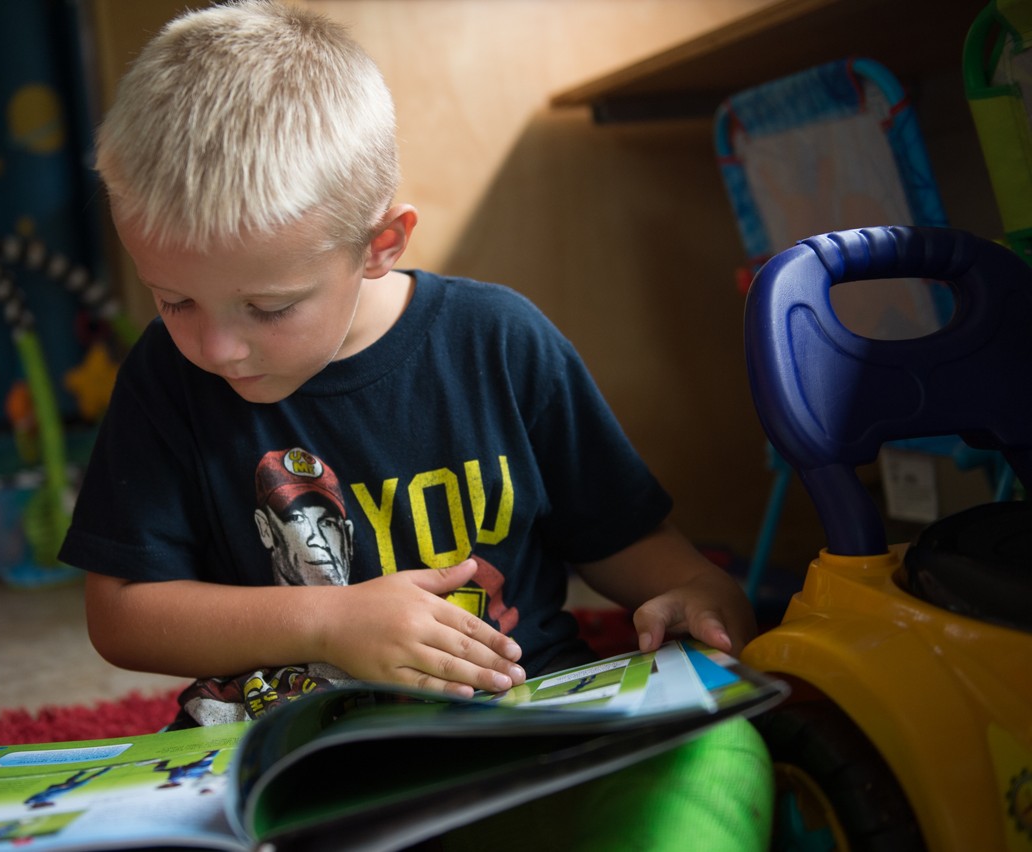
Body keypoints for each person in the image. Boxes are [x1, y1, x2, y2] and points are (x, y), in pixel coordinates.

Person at [59, 1, 768, 846]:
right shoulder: (164, 379)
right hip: (293, 752)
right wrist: (330, 622)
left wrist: (697, 593)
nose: (217, 347)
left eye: (269, 307)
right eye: (173, 299)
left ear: (380, 244)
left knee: (723, 755)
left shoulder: (501, 343)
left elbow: (628, 543)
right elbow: (125, 614)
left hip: (522, 726)